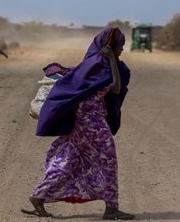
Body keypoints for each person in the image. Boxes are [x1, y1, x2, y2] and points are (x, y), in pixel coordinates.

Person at [23, 27, 134, 220]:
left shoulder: (89, 64)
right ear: (110, 46)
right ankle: (111, 208)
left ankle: (38, 196)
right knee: (108, 160)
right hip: (93, 123)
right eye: (120, 47)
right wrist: (111, 61)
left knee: (70, 158)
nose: (121, 51)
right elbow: (115, 88)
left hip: (80, 123)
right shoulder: (102, 65)